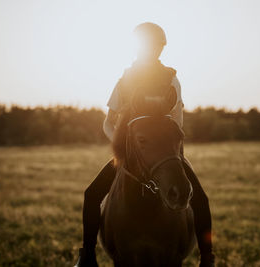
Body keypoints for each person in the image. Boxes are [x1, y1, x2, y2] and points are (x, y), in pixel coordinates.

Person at [76, 22, 215, 267]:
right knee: (91, 194)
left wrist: (172, 147)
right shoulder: (125, 79)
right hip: (132, 151)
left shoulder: (171, 78)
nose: (152, 50)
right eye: (148, 45)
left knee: (200, 198)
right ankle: (87, 256)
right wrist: (123, 146)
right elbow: (109, 122)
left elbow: (177, 122)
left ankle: (207, 258)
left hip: (165, 150)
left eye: (157, 46)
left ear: (161, 48)